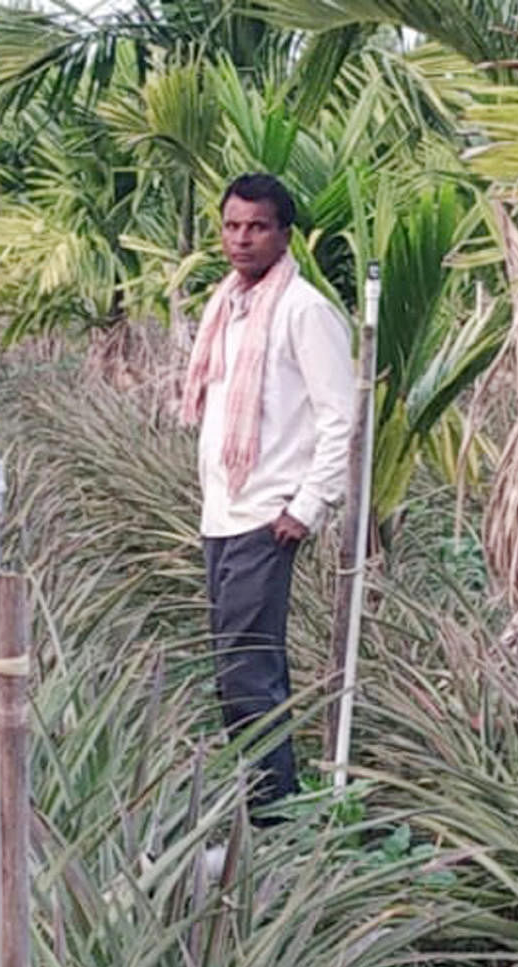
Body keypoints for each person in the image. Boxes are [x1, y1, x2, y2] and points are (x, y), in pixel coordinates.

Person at [181, 173, 356, 825]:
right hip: (222, 514)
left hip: (267, 519)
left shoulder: (304, 311)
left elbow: (341, 416)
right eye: (230, 225)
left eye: (255, 226)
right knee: (230, 666)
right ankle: (253, 798)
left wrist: (306, 508)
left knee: (250, 669)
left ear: (284, 234)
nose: (240, 238)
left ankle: (273, 817)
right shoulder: (227, 306)